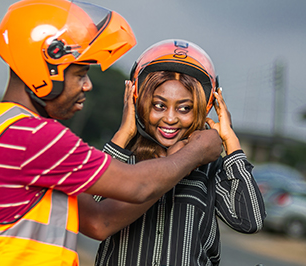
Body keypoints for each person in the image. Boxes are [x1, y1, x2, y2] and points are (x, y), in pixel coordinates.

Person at [0, 1, 223, 265]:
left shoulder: (5, 125)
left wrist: (175, 157)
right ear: (45, 68)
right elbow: (138, 185)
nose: (87, 85)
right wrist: (194, 152)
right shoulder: (35, 137)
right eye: (80, 74)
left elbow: (99, 221)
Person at [79, 39, 266, 266]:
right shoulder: (123, 160)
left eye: (184, 108)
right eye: (159, 105)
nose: (170, 118)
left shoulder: (209, 167)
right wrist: (122, 134)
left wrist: (231, 141)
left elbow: (249, 220)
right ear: (138, 101)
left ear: (205, 107)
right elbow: (92, 209)